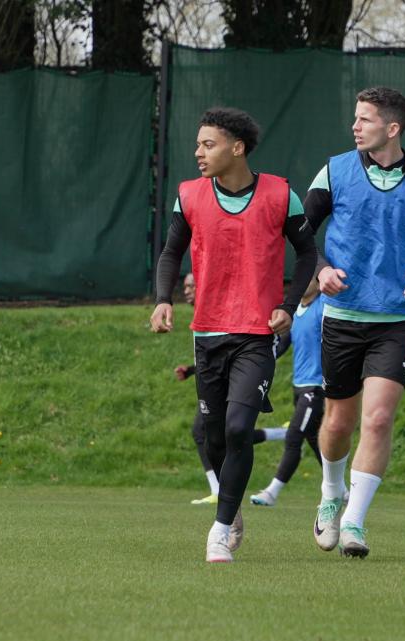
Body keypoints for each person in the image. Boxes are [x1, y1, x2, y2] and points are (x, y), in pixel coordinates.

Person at [151, 107, 317, 563]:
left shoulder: (281, 195)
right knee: (216, 435)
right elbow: (170, 252)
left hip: (256, 334)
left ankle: (220, 529)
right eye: (198, 144)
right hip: (207, 332)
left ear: (237, 147)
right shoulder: (189, 196)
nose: (198, 152)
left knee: (240, 426)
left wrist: (287, 305)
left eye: (208, 144)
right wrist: (164, 298)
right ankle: (232, 506)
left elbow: (307, 255)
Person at [304, 86, 405, 558]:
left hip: (396, 320)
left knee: (377, 420)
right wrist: (321, 270)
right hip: (342, 318)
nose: (355, 126)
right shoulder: (334, 171)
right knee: (338, 423)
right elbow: (300, 234)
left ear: (392, 128)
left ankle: (354, 522)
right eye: (355, 118)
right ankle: (332, 495)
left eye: (365, 119)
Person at [172, 273, 287, 506]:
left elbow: (236, 350)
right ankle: (278, 434)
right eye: (185, 286)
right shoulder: (202, 313)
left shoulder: (226, 307)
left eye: (192, 286)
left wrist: (259, 366)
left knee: (214, 430)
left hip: (237, 378)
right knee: (221, 433)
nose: (187, 291)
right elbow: (215, 355)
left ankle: (220, 491)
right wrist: (193, 370)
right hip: (212, 378)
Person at [249, 275, 327, 507]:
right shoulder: (296, 313)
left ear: (318, 282)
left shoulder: (324, 305)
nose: (301, 284)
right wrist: (260, 360)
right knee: (316, 440)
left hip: (316, 387)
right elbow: (282, 344)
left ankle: (272, 492)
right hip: (299, 386)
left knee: (294, 436)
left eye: (307, 280)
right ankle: (340, 490)